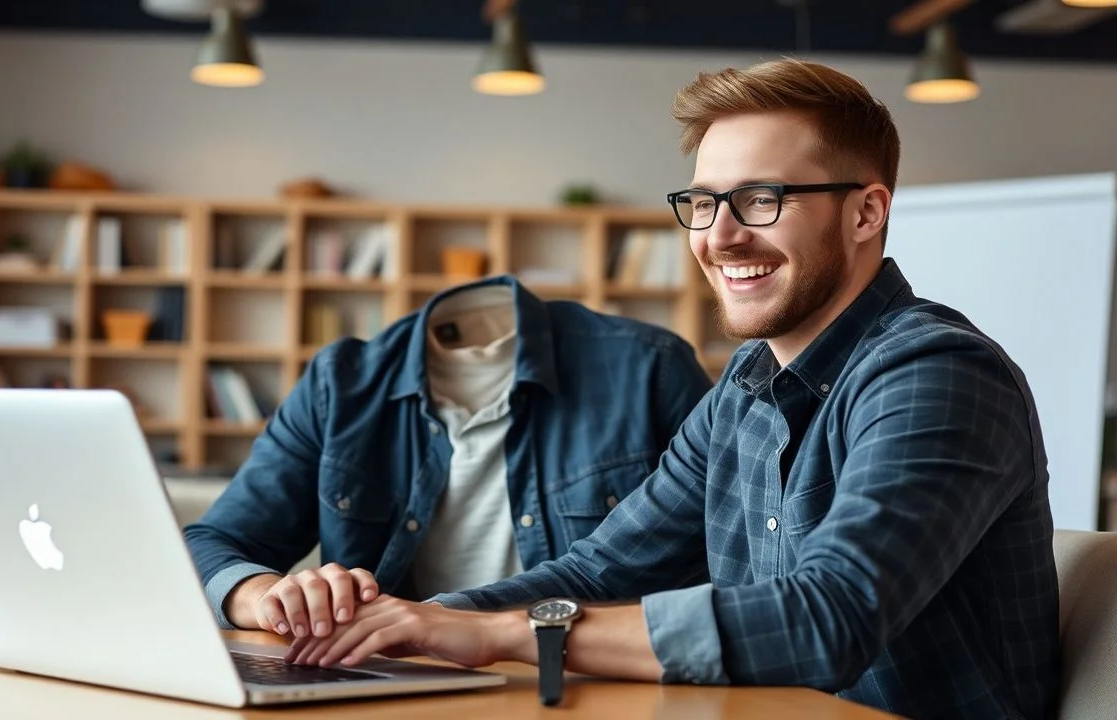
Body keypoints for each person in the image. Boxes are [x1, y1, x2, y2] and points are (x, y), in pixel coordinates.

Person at [283, 59, 1060, 720]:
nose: (719, 236)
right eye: (703, 203)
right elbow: (598, 570)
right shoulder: (743, 395)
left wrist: (506, 635)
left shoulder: (938, 373)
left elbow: (831, 616)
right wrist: (409, 621)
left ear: (866, 212)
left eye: (763, 200)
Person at [183, 274, 714, 641]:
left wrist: (448, 620)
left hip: (591, 677)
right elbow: (212, 541)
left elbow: (730, 560)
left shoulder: (649, 369)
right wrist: (265, 598)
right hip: (393, 676)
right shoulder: (340, 386)